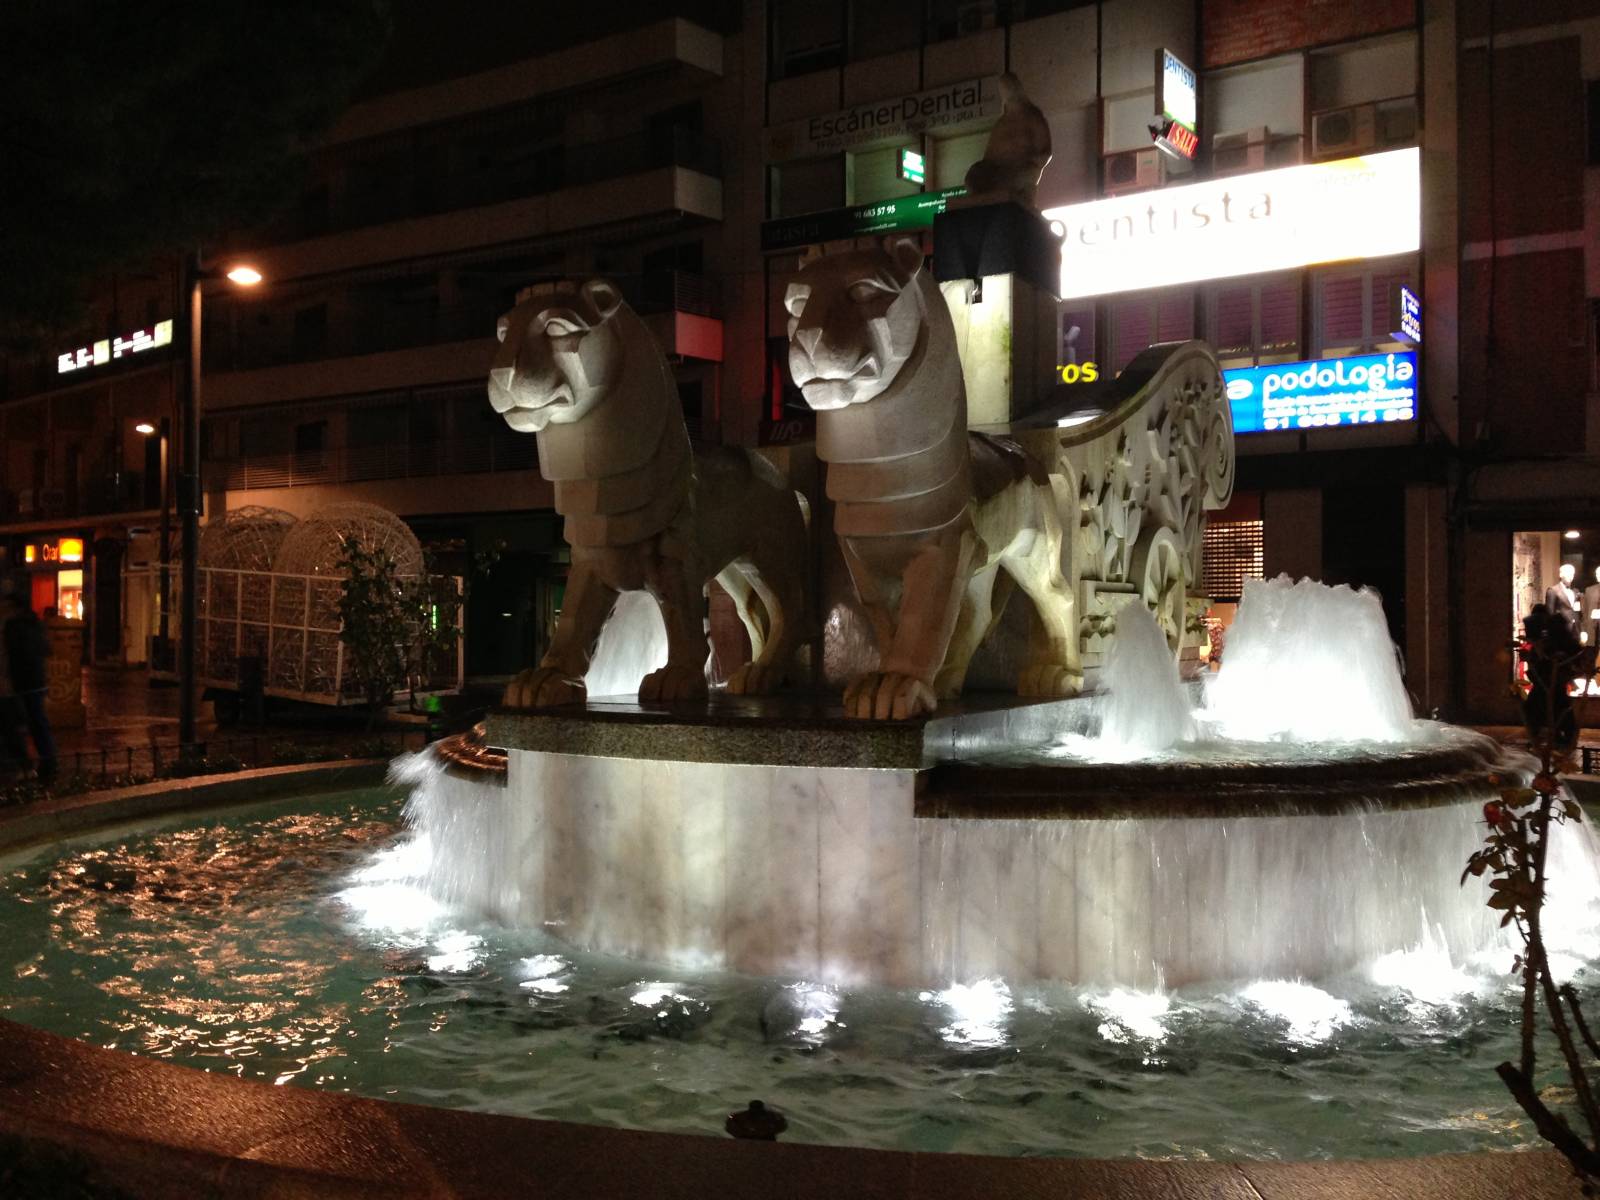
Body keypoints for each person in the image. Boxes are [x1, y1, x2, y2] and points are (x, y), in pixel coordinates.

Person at [2, 591, 56, 784]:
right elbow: (47, 649)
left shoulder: (11, 626)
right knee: (37, 722)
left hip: (19, 682)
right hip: (37, 680)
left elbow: (9, 655)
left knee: (16, 723)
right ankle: (47, 762)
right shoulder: (36, 623)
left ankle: (25, 765)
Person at [1520, 603, 1581, 752]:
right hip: (1548, 676)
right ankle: (1554, 737)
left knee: (1551, 706)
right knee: (1554, 706)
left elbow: (1566, 650)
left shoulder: (1552, 627)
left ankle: (1554, 737)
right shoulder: (1551, 626)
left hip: (1552, 675)